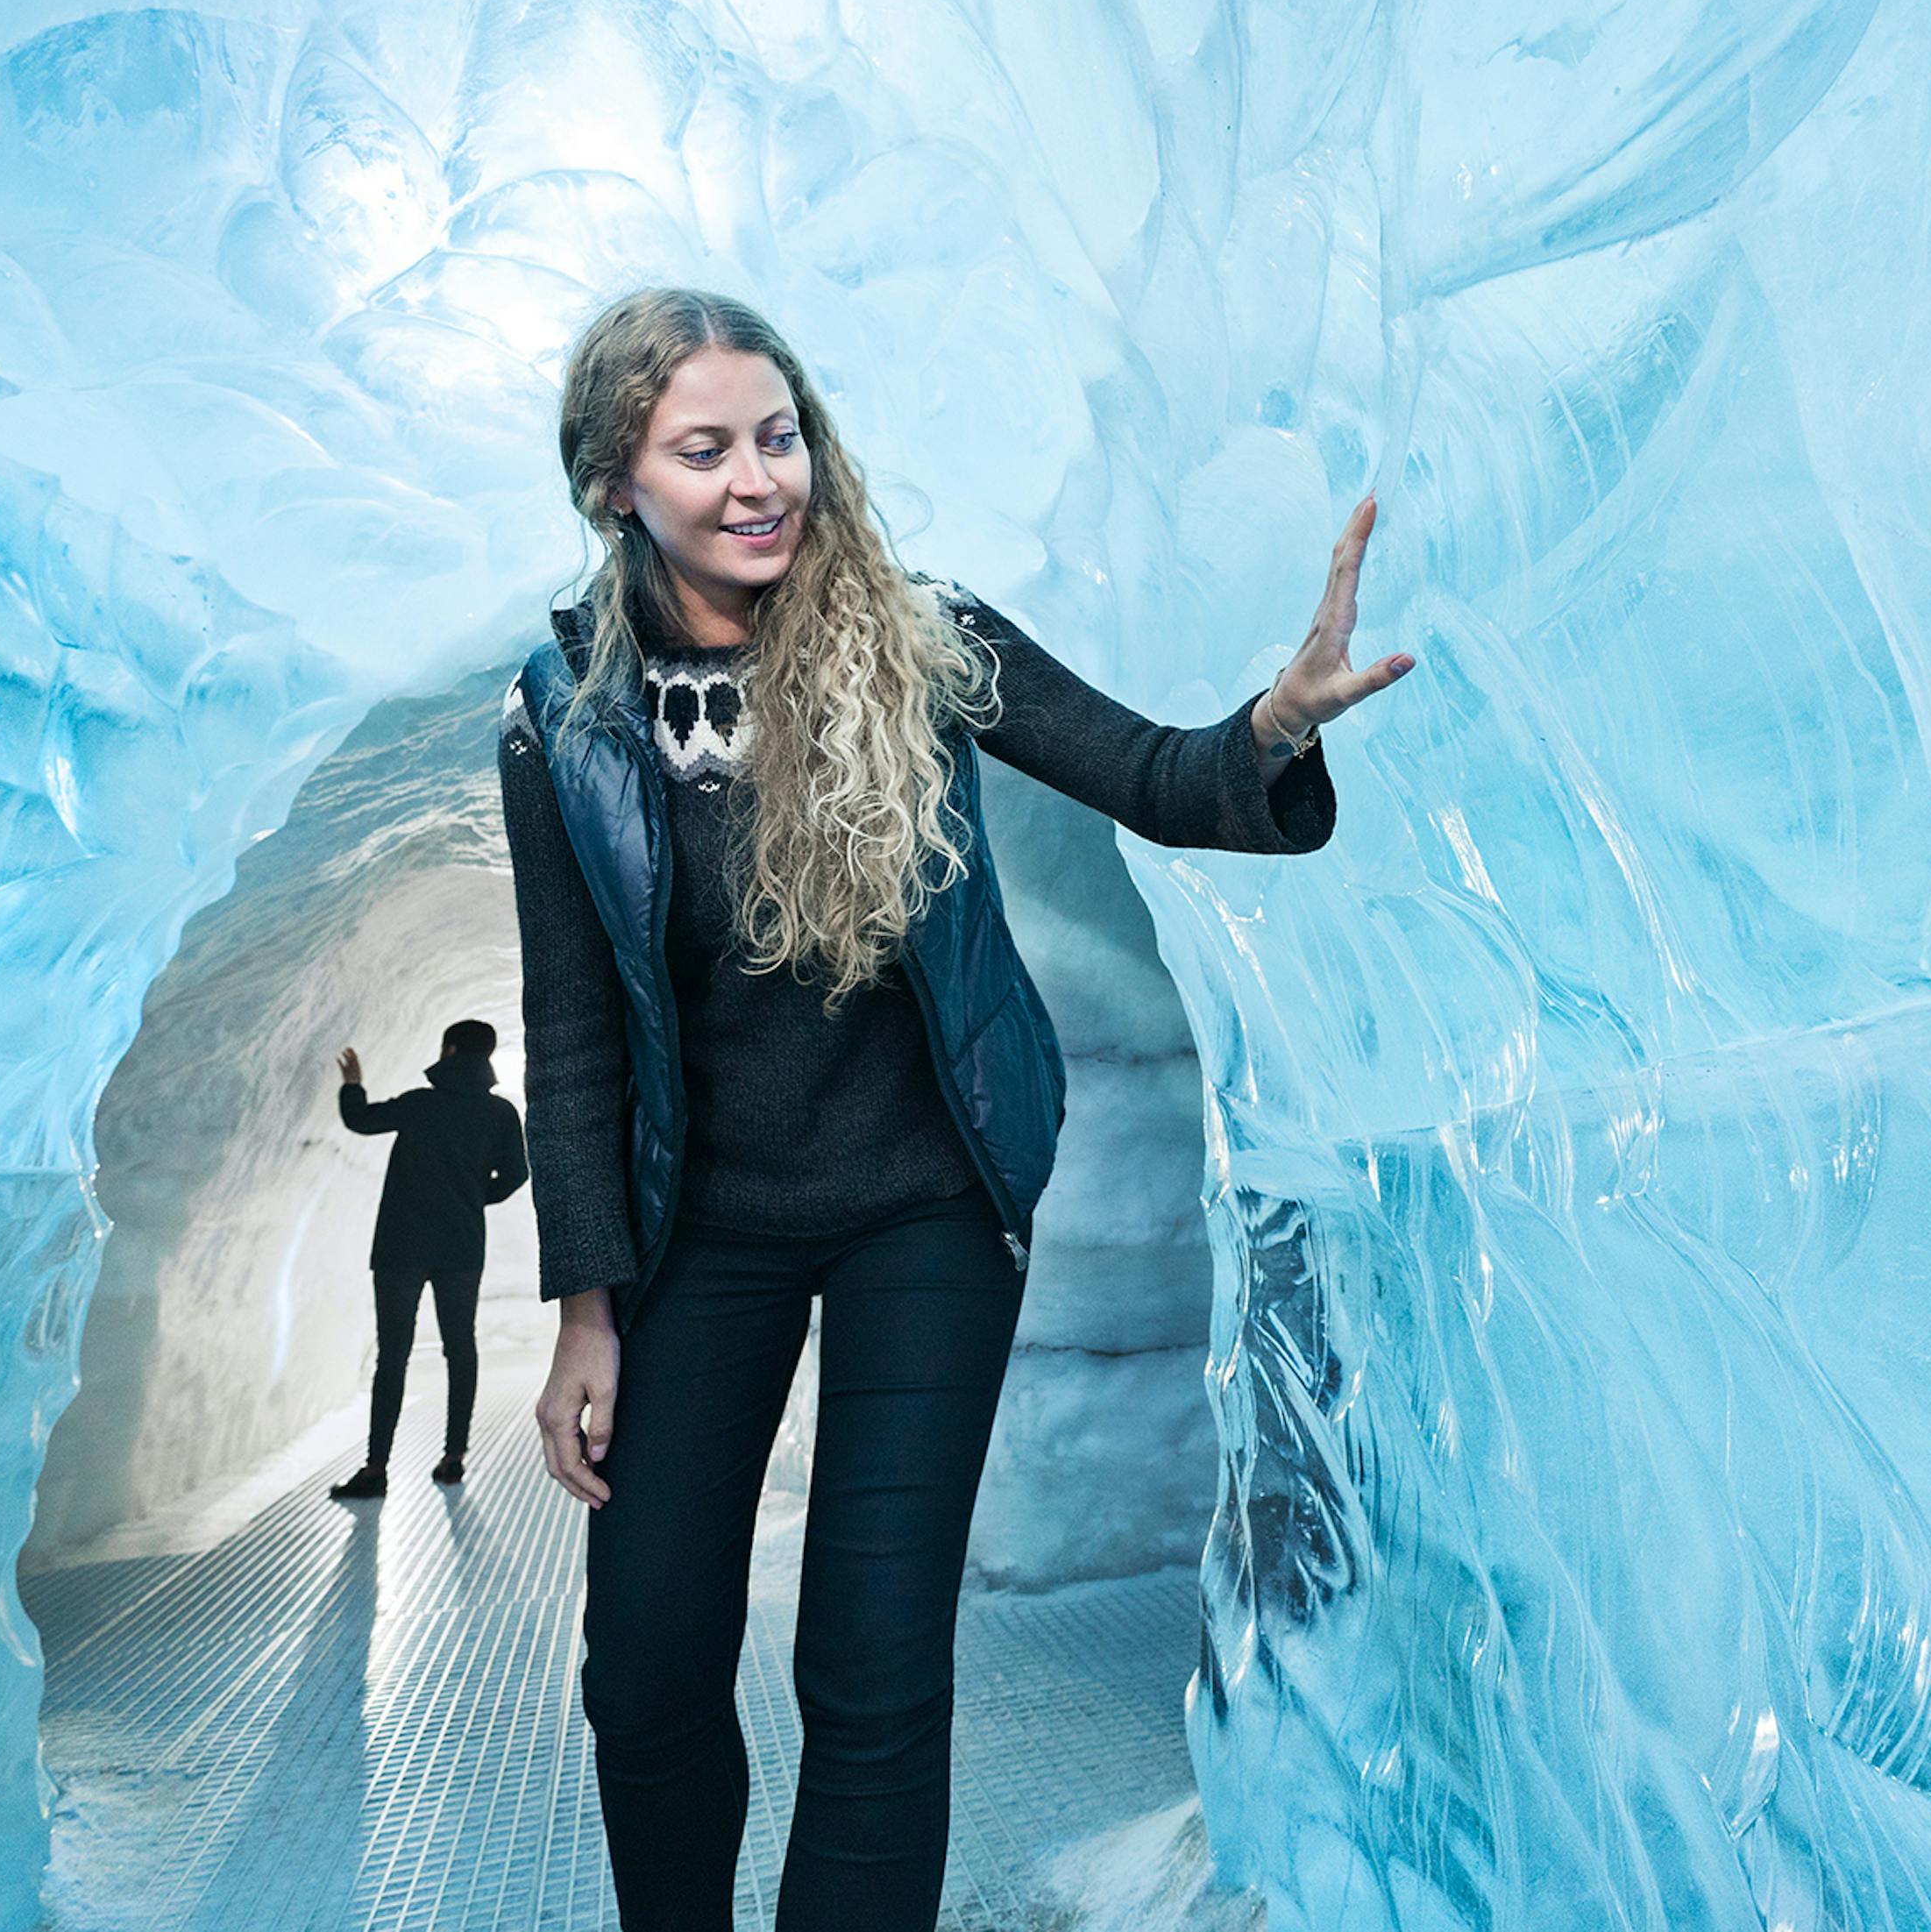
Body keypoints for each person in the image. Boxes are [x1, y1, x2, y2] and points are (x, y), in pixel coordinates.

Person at [496, 287, 1413, 1929]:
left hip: (929, 1203)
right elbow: (571, 1034)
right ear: (613, 485)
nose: (757, 479)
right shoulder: (563, 719)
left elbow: (1154, 773)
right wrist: (585, 1307)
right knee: (641, 1671)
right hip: (702, 1223)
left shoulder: (926, 643)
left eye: (777, 436)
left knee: (870, 1661)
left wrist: (1272, 726)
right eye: (702, 450)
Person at [328, 1019, 531, 1499]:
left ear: (451, 1048)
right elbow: (517, 1173)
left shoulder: (421, 1104)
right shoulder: (500, 1114)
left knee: (393, 1355)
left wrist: (353, 1087)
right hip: (460, 1247)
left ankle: (375, 1470)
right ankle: (453, 1459)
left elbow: (362, 1121)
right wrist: (475, 1196)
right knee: (461, 1348)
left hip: (401, 1246)